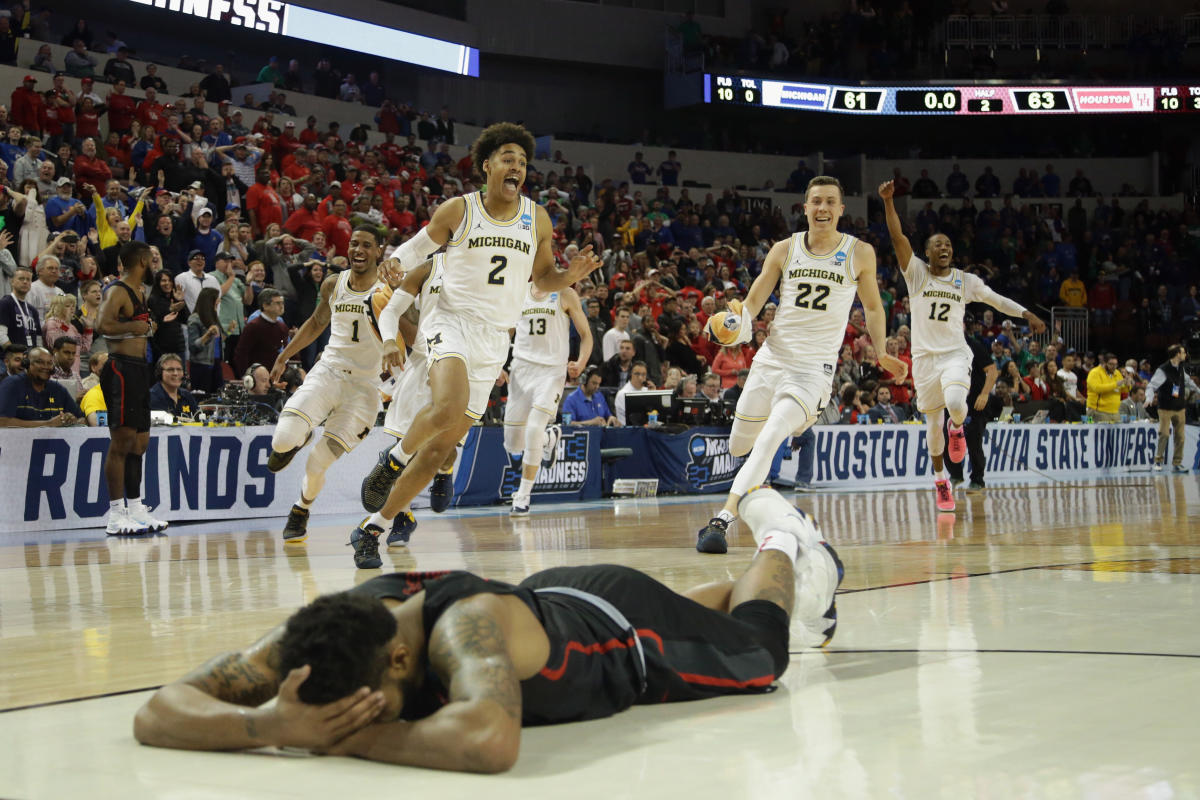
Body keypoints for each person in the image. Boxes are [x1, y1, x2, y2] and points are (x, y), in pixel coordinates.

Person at [133, 486, 843, 773]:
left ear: (402, 653)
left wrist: (344, 734)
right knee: (706, 614)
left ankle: (782, 537)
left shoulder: (461, 630)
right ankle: (745, 586)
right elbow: (158, 709)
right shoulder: (328, 632)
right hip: (550, 602)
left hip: (623, 633)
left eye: (366, 697)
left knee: (758, 653)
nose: (355, 708)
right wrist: (271, 726)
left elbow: (490, 739)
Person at [356, 123, 597, 568]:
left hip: (494, 340)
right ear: (486, 165)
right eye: (508, 158)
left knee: (439, 450)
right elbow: (415, 247)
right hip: (450, 321)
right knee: (447, 406)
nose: (517, 167)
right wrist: (393, 262)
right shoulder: (459, 209)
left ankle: (375, 527)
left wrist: (570, 277)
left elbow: (544, 279)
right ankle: (391, 461)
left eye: (523, 162)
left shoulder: (537, 217)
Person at [695, 177, 907, 554]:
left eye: (830, 202)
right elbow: (756, 299)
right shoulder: (784, 248)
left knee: (772, 435)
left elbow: (873, 307)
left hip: (812, 371)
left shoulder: (859, 252)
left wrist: (882, 351)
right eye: (816, 201)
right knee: (739, 443)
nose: (822, 208)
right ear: (804, 207)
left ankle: (721, 521)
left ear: (841, 210)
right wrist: (737, 323)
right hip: (771, 360)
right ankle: (766, 480)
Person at [879, 180, 1045, 512]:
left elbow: (996, 301)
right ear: (927, 252)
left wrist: (1027, 313)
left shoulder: (964, 281)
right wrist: (888, 202)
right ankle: (941, 481)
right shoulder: (915, 273)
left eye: (948, 245)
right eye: (937, 244)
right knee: (932, 427)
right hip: (925, 359)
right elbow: (898, 237)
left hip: (955, 354)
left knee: (956, 403)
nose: (944, 248)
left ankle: (958, 427)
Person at [264, 227, 390, 548]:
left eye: (366, 245)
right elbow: (317, 322)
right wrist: (285, 355)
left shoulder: (390, 290)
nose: (358, 250)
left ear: (379, 251)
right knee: (283, 441)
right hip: (329, 372)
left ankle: (301, 509)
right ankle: (301, 433)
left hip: (364, 390)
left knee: (318, 462)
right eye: (354, 244)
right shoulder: (334, 284)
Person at [97, 241, 168, 535]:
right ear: (141, 260)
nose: (154, 264)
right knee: (122, 442)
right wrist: (132, 328)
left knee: (140, 443)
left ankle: (136, 509)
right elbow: (101, 324)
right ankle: (115, 515)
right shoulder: (117, 290)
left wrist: (150, 327)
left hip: (139, 369)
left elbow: (142, 328)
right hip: (120, 369)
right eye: (151, 259)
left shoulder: (140, 292)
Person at [502, 283, 591, 515]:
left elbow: (586, 336)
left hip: (551, 371)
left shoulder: (565, 293)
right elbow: (504, 333)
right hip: (521, 370)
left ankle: (522, 496)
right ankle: (548, 439)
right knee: (513, 444)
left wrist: (580, 362)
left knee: (533, 429)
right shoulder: (519, 291)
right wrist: (496, 364)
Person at [944, 314, 998, 491]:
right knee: (947, 440)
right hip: (951, 403)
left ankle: (977, 479)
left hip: (975, 403)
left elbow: (992, 371)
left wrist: (984, 394)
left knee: (974, 442)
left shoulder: (974, 345)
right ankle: (956, 475)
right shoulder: (944, 347)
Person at [0, 345, 82, 427]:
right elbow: (2, 422)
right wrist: (48, 424)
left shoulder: (58, 389)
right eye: (39, 362)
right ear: (27, 364)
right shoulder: (12, 384)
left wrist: (72, 420)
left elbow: (82, 419)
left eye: (49, 363)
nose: (45, 367)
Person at [1147, 344, 1198, 474]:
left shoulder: (1181, 368)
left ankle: (1177, 463)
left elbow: (1188, 382)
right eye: (1183, 353)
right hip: (1165, 408)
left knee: (1180, 437)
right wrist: (1149, 398)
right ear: (1177, 355)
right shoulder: (1163, 370)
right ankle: (1157, 461)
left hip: (1180, 407)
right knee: (1164, 434)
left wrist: (1198, 391)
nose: (1185, 355)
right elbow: (1151, 386)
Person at [0, 266, 42, 348]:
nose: (25, 282)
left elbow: (38, 339)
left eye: (28, 279)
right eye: (21, 279)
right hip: (10, 358)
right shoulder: (5, 303)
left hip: (30, 358)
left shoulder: (33, 310)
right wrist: (14, 353)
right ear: (12, 281)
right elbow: (1, 334)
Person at [149, 353, 197, 417]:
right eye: (170, 369)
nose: (175, 373)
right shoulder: (151, 397)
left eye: (179, 369)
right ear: (160, 373)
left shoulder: (187, 396)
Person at [1085, 352, 1127, 423]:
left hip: (1115, 412)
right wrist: (1115, 384)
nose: (1114, 367)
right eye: (1111, 364)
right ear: (1104, 363)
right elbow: (1097, 388)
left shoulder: (1117, 373)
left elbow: (1123, 390)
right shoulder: (1095, 372)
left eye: (1115, 364)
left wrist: (1128, 385)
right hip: (1098, 411)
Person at [615, 360, 653, 426]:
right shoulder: (622, 394)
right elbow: (632, 418)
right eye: (637, 374)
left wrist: (653, 394)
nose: (640, 377)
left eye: (643, 374)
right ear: (631, 374)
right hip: (628, 430)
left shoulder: (647, 390)